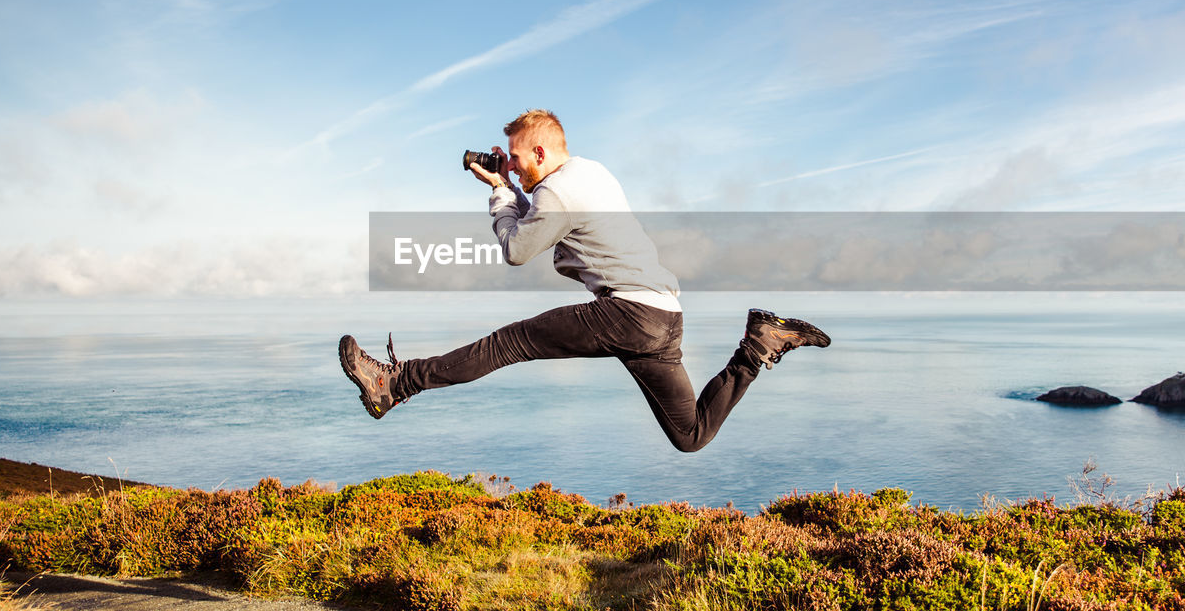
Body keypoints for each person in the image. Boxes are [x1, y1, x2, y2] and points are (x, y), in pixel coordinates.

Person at [339, 109, 829, 452]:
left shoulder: (555, 193)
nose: (510, 164)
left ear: (538, 149)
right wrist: (511, 185)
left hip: (627, 313)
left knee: (507, 344)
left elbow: (516, 249)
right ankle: (758, 345)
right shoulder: (587, 172)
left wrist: (499, 194)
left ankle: (394, 384)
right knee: (690, 435)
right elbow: (551, 216)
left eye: (514, 157)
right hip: (664, 316)